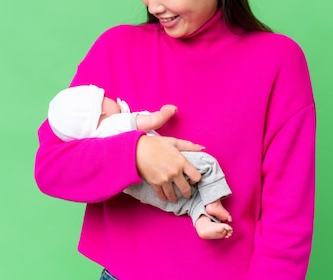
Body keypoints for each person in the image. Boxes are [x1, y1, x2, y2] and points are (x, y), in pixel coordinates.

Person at [35, 0, 316, 280]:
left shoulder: (277, 62)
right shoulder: (115, 50)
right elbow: (51, 168)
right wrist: (136, 153)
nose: (153, 5)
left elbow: (288, 214)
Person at [46, 84, 233, 239]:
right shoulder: (117, 121)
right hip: (170, 164)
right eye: (105, 97)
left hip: (138, 189)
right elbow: (152, 121)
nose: (110, 97)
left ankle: (203, 222)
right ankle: (214, 202)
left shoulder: (94, 140)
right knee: (207, 164)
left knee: (187, 203)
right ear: (101, 111)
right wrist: (165, 112)